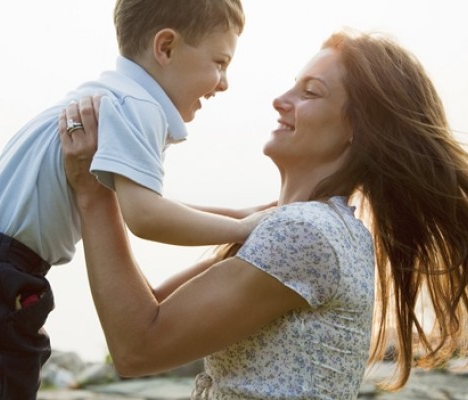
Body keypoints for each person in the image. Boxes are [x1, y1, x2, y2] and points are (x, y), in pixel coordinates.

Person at [59, 28, 468, 399]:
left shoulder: (305, 234)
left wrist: (94, 193)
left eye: (310, 92)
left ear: (357, 129)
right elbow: (149, 307)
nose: (280, 100)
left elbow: (136, 347)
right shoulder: (308, 227)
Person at [0, 1, 272, 398]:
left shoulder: (115, 96)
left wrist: (247, 213)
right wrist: (243, 227)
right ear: (166, 48)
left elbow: (146, 204)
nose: (224, 82)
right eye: (219, 62)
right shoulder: (139, 108)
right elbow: (146, 217)